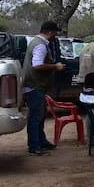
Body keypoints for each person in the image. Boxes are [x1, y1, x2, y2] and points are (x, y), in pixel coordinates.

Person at [23, 21, 66, 155]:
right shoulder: (40, 45)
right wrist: (55, 66)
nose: (55, 36)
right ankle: (34, 146)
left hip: (35, 85)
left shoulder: (35, 41)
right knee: (36, 117)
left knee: (39, 116)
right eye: (54, 33)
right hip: (35, 86)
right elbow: (37, 65)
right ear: (49, 32)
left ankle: (41, 141)